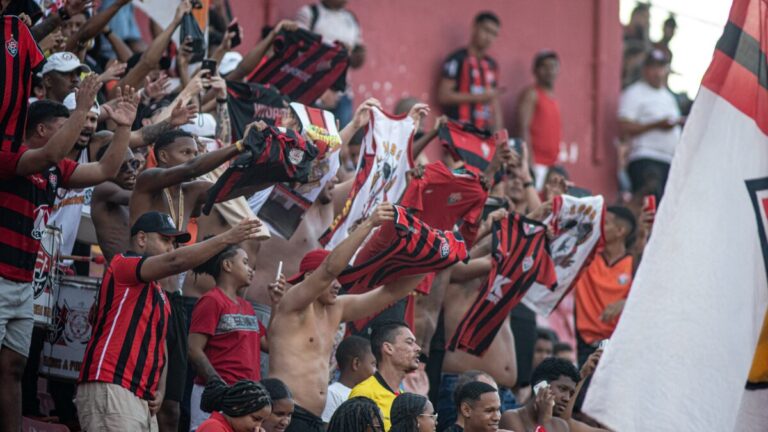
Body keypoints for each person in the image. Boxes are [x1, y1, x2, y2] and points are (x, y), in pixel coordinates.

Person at [76, 212, 263, 431]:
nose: (171, 248)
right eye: (165, 240)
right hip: (112, 383)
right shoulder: (123, 263)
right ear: (142, 239)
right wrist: (226, 238)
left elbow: (160, 343)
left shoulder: (160, 294)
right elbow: (174, 262)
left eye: (174, 243)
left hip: (141, 396)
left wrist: (161, 389)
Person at [0, 74, 109, 432]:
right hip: (0, 279)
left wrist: (122, 128)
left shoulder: (54, 170)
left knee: (14, 367)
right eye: (66, 126)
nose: (77, 132)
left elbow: (106, 170)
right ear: (43, 130)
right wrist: (81, 108)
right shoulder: (9, 156)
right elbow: (49, 153)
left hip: (23, 286)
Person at [268, 204, 428, 432]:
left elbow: (390, 293)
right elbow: (330, 269)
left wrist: (435, 260)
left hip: (316, 419)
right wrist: (370, 224)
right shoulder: (293, 304)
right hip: (287, 415)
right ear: (312, 277)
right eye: (334, 280)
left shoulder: (336, 308)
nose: (339, 284)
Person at [187, 244, 285, 430]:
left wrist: (276, 304)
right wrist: (217, 384)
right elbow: (193, 348)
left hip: (244, 398)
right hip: (218, 394)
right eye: (246, 263)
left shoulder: (246, 306)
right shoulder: (212, 300)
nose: (251, 269)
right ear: (227, 265)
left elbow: (269, 344)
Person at [574, 206, 636, 366]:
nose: (599, 226)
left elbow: (651, 300)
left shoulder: (635, 265)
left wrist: (625, 304)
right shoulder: (587, 256)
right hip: (584, 348)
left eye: (606, 223)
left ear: (620, 230)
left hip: (619, 349)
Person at [618, 49, 682, 200]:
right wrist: (656, 125)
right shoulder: (634, 92)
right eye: (653, 67)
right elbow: (624, 125)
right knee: (648, 202)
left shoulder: (668, 97)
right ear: (645, 70)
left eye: (661, 67)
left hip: (668, 159)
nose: (657, 72)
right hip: (645, 157)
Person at [295, 0, 366, 126]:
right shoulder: (310, 13)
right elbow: (297, 49)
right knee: (309, 139)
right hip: (311, 89)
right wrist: (332, 51)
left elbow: (359, 55)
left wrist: (348, 54)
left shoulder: (351, 18)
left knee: (339, 141)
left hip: (342, 93)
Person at [349, 321, 422, 430]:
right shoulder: (364, 394)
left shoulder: (404, 398)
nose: (418, 348)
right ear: (388, 348)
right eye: (409, 342)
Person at [438, 11, 502, 132]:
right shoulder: (457, 59)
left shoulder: (492, 65)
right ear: (474, 28)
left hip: (484, 135)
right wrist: (479, 97)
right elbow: (443, 96)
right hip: (458, 132)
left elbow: (494, 102)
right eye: (486, 30)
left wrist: (499, 134)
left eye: (494, 34)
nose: (489, 37)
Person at [500, 357, 599, 432]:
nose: (567, 398)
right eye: (563, 389)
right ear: (540, 386)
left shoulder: (561, 426)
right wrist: (544, 419)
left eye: (571, 393)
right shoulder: (511, 418)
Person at [515, 50, 562, 187]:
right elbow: (523, 128)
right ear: (535, 70)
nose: (549, 71)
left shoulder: (553, 98)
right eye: (544, 67)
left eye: (553, 66)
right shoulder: (531, 94)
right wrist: (529, 163)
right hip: (537, 164)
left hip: (552, 164)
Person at [91, 147, 141, 262]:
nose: (130, 170)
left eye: (134, 163)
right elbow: (137, 197)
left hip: (135, 270)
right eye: (121, 166)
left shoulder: (132, 188)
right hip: (119, 273)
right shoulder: (103, 187)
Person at [321, 335, 377, 423]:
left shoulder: (369, 394)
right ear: (356, 363)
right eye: (373, 364)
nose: (375, 371)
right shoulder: (333, 394)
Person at [197, 380, 272, 432]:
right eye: (255, 419)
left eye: (262, 422)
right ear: (237, 407)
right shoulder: (213, 426)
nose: (258, 426)